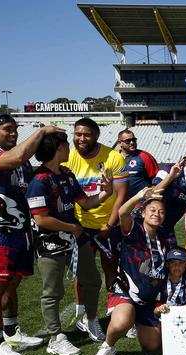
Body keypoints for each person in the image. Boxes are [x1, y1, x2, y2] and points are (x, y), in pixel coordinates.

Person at [27, 132, 113, 355]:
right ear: (57, 148)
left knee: (92, 281)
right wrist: (71, 228)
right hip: (50, 242)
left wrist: (105, 193)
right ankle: (56, 337)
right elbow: (41, 219)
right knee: (52, 291)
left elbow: (85, 203)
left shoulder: (66, 174)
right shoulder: (39, 180)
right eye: (66, 144)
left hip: (75, 237)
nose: (70, 148)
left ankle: (91, 320)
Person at [0, 113, 62, 355]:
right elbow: (14, 157)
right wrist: (41, 131)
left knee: (12, 283)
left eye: (15, 129)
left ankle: (10, 331)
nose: (13, 133)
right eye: (7, 129)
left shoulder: (23, 162)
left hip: (20, 231)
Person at [63, 117, 128, 339]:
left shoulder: (113, 156)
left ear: (96, 135)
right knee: (81, 272)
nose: (81, 138)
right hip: (80, 224)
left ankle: (113, 311)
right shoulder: (68, 157)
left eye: (86, 134)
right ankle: (82, 314)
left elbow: (121, 195)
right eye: (77, 133)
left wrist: (109, 224)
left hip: (108, 223)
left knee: (111, 268)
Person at [92, 187, 170, 355]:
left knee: (152, 346)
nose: (157, 214)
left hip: (148, 300)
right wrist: (138, 196)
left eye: (161, 212)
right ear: (142, 213)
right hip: (126, 291)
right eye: (152, 210)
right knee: (121, 323)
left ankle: (137, 319)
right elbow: (122, 213)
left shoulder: (164, 242)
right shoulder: (134, 231)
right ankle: (107, 346)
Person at [117, 129, 159, 198]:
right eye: (128, 141)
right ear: (119, 143)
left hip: (141, 202)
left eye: (134, 140)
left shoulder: (145, 156)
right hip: (121, 203)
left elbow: (156, 180)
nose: (132, 142)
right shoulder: (114, 158)